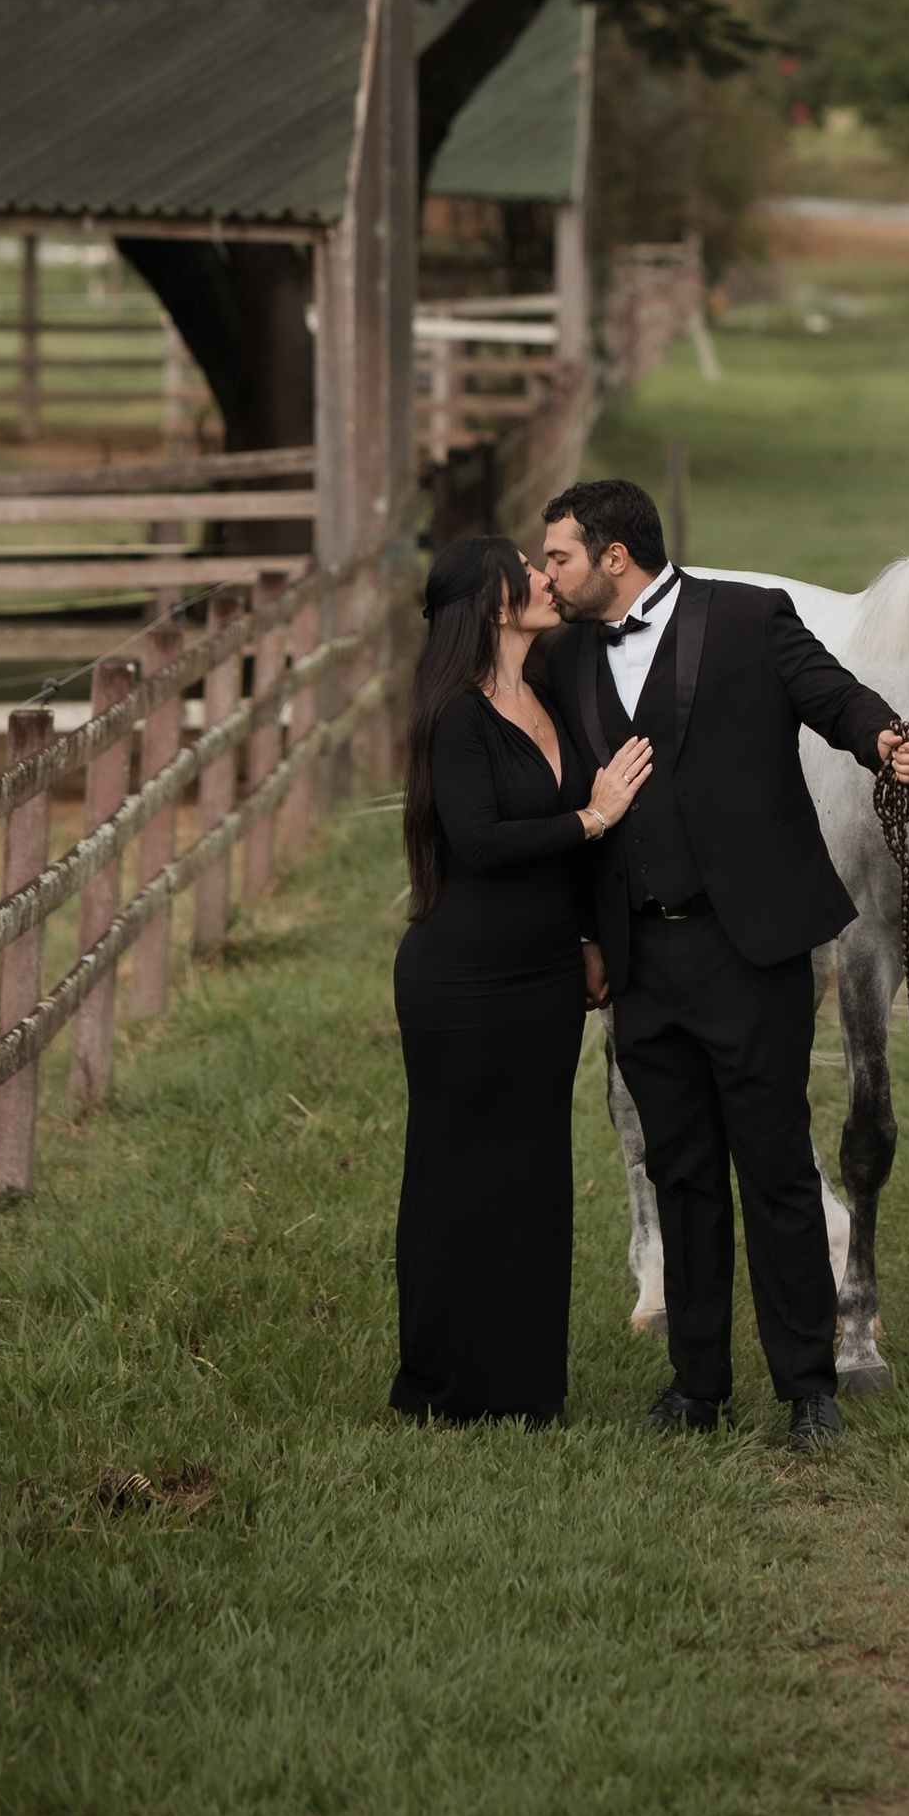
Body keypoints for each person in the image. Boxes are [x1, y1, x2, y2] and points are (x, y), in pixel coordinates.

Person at [534, 475, 909, 1451]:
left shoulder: (751, 619)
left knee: (773, 1169)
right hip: (638, 957)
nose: (546, 575)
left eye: (558, 557)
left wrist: (884, 739)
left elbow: (829, 694)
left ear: (612, 556)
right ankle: (696, 1387)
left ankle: (807, 1391)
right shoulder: (563, 659)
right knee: (682, 1175)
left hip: (749, 948)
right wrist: (586, 939)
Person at [390, 532, 652, 1424]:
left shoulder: (543, 695)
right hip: (462, 984)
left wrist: (585, 936)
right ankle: (442, 1385)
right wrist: (594, 815)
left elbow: (553, 855)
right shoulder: (455, 716)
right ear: (495, 604)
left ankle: (525, 1387)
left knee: (532, 1177)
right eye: (529, 571)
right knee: (457, 1177)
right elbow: (480, 841)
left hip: (544, 978)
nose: (546, 578)